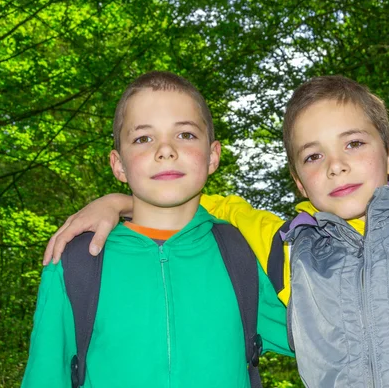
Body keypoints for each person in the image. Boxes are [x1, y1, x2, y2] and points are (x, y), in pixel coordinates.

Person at [45, 76, 389, 387]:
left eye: (354, 144)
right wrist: (119, 201)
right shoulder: (292, 256)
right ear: (299, 180)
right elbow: (191, 193)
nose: (337, 167)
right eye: (315, 156)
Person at [21, 71, 292, 388]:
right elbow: (44, 376)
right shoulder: (75, 261)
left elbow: (323, 337)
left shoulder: (241, 254)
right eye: (143, 139)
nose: (165, 150)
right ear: (119, 165)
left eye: (186, 135)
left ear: (213, 155)